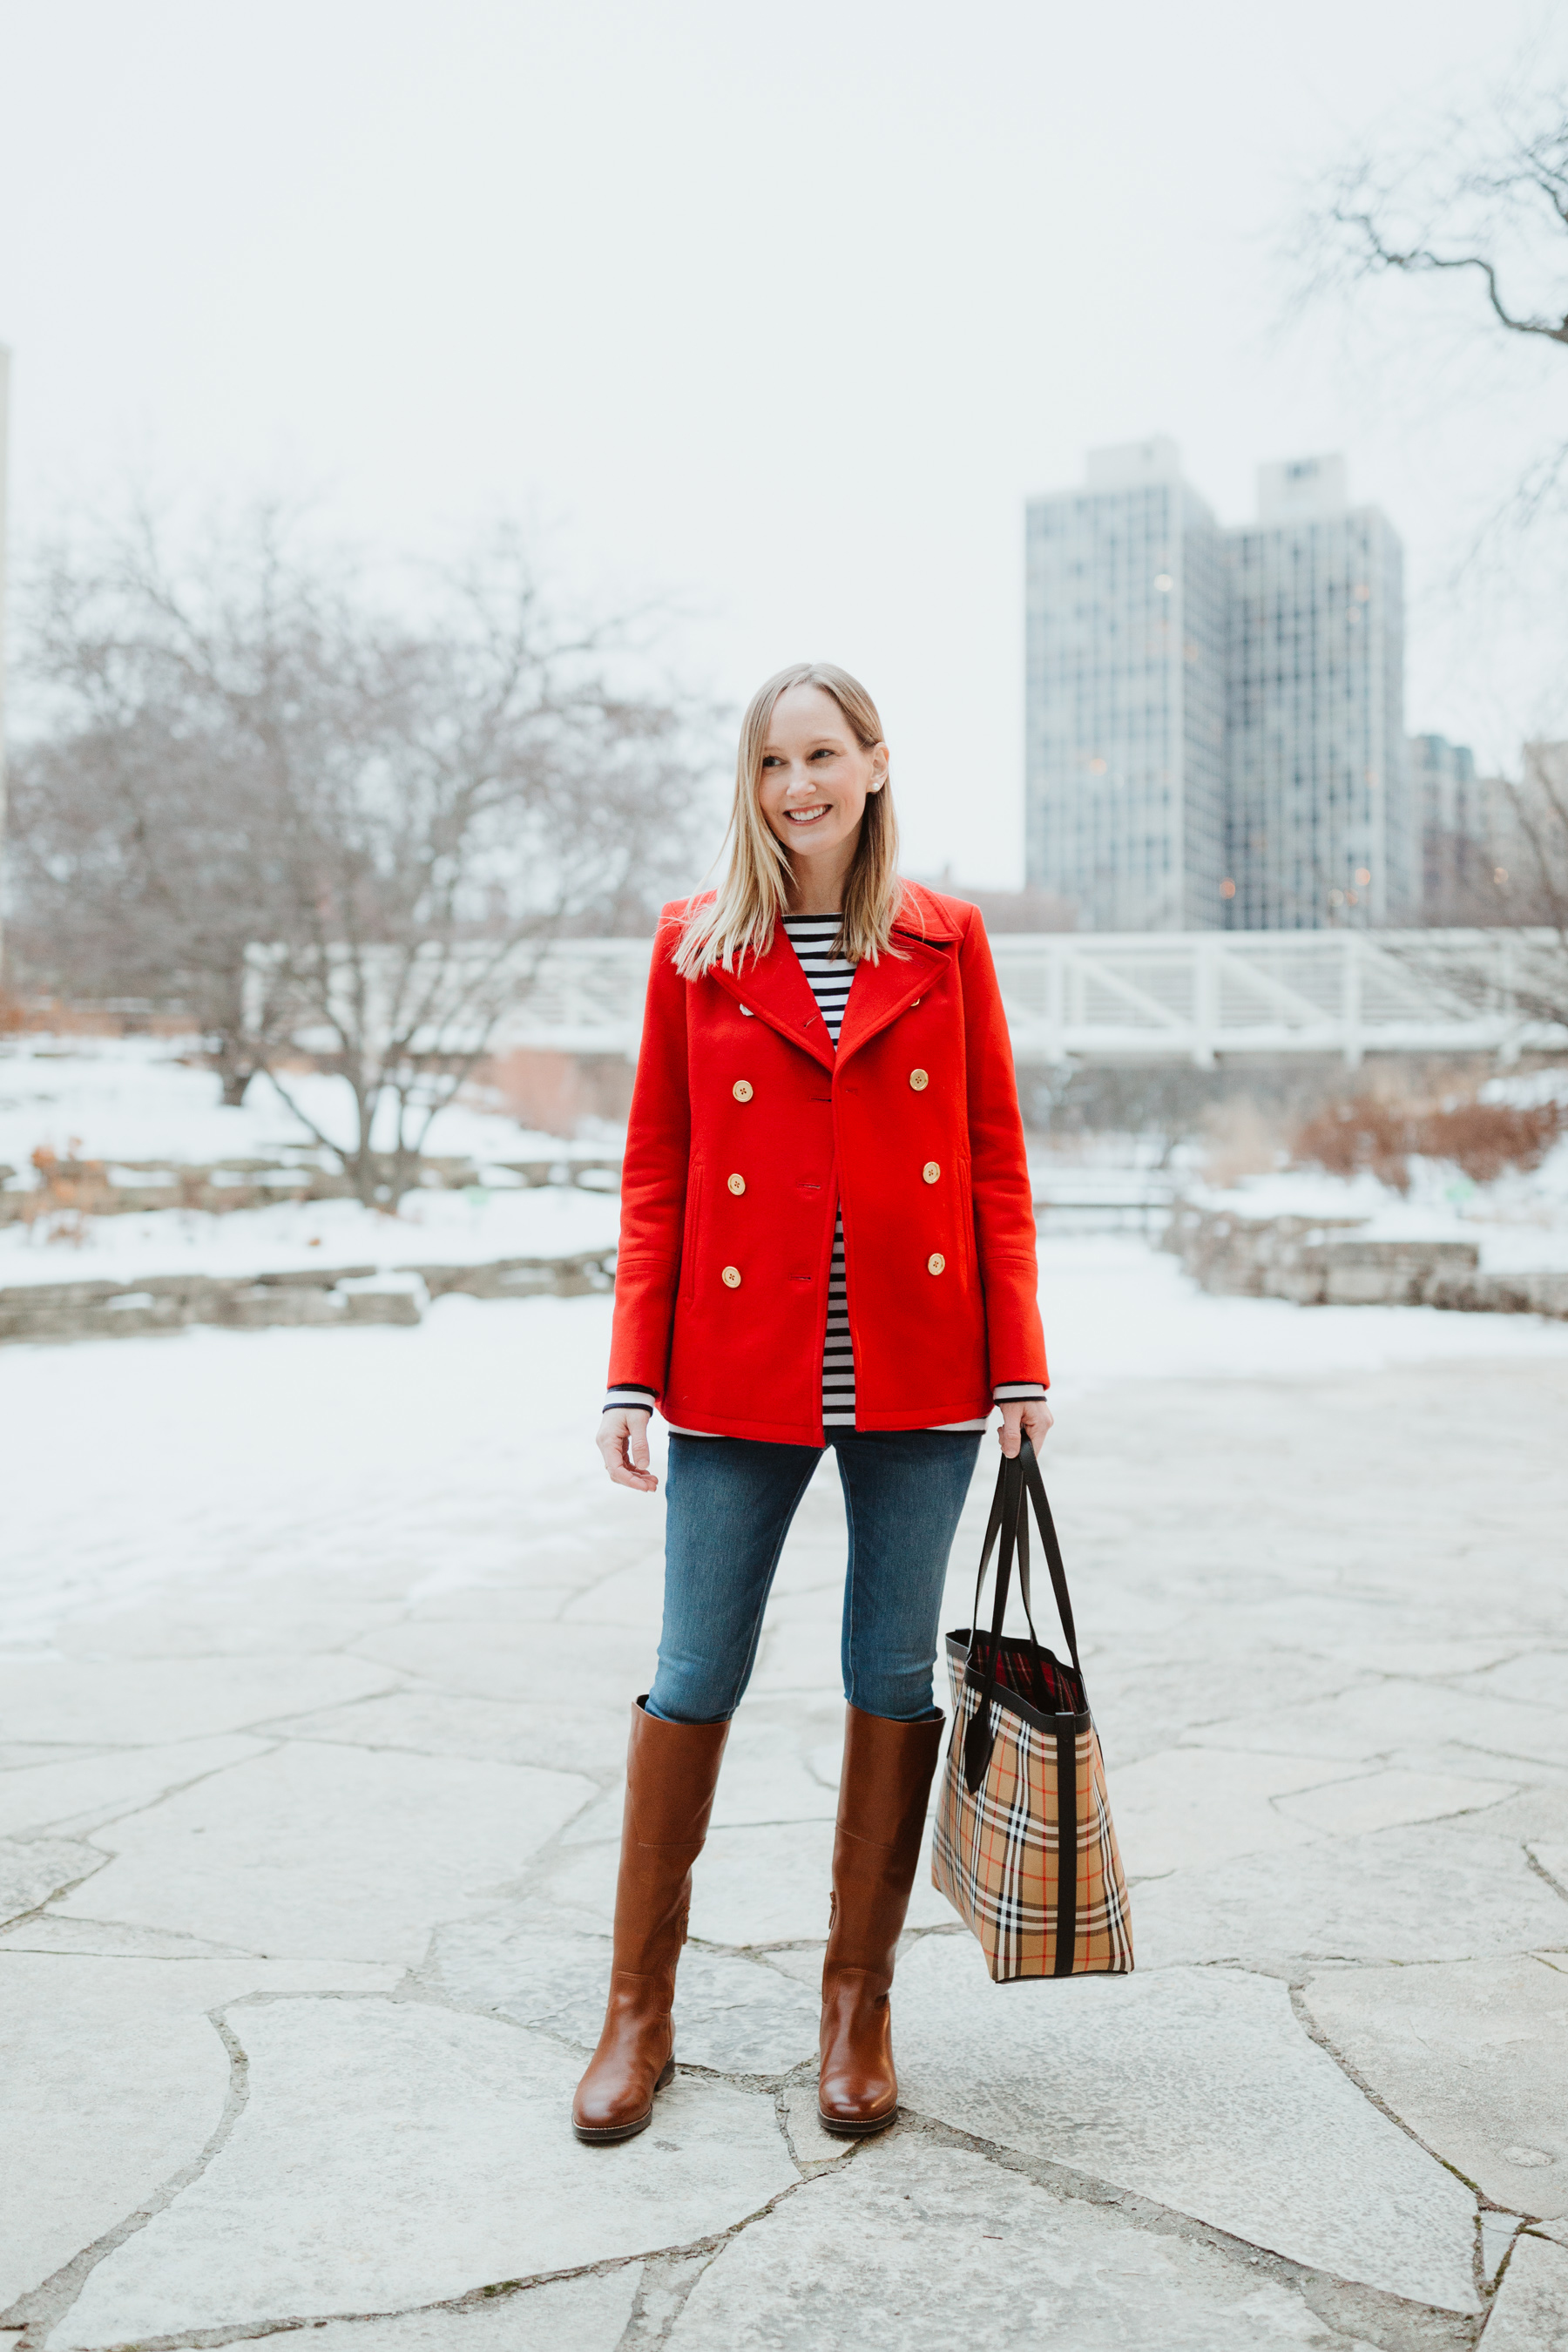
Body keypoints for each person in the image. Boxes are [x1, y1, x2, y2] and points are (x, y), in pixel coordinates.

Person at [574, 661, 1051, 2146]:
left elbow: (990, 1163)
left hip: (918, 1367)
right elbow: (658, 1172)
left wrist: (1020, 1360)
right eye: (775, 760)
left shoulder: (944, 940)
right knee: (694, 1667)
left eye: (824, 754)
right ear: (752, 779)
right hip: (733, 1370)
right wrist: (629, 1371)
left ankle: (858, 2009)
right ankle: (636, 2011)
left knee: (890, 1675)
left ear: (875, 764)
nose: (800, 785)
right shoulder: (695, 949)